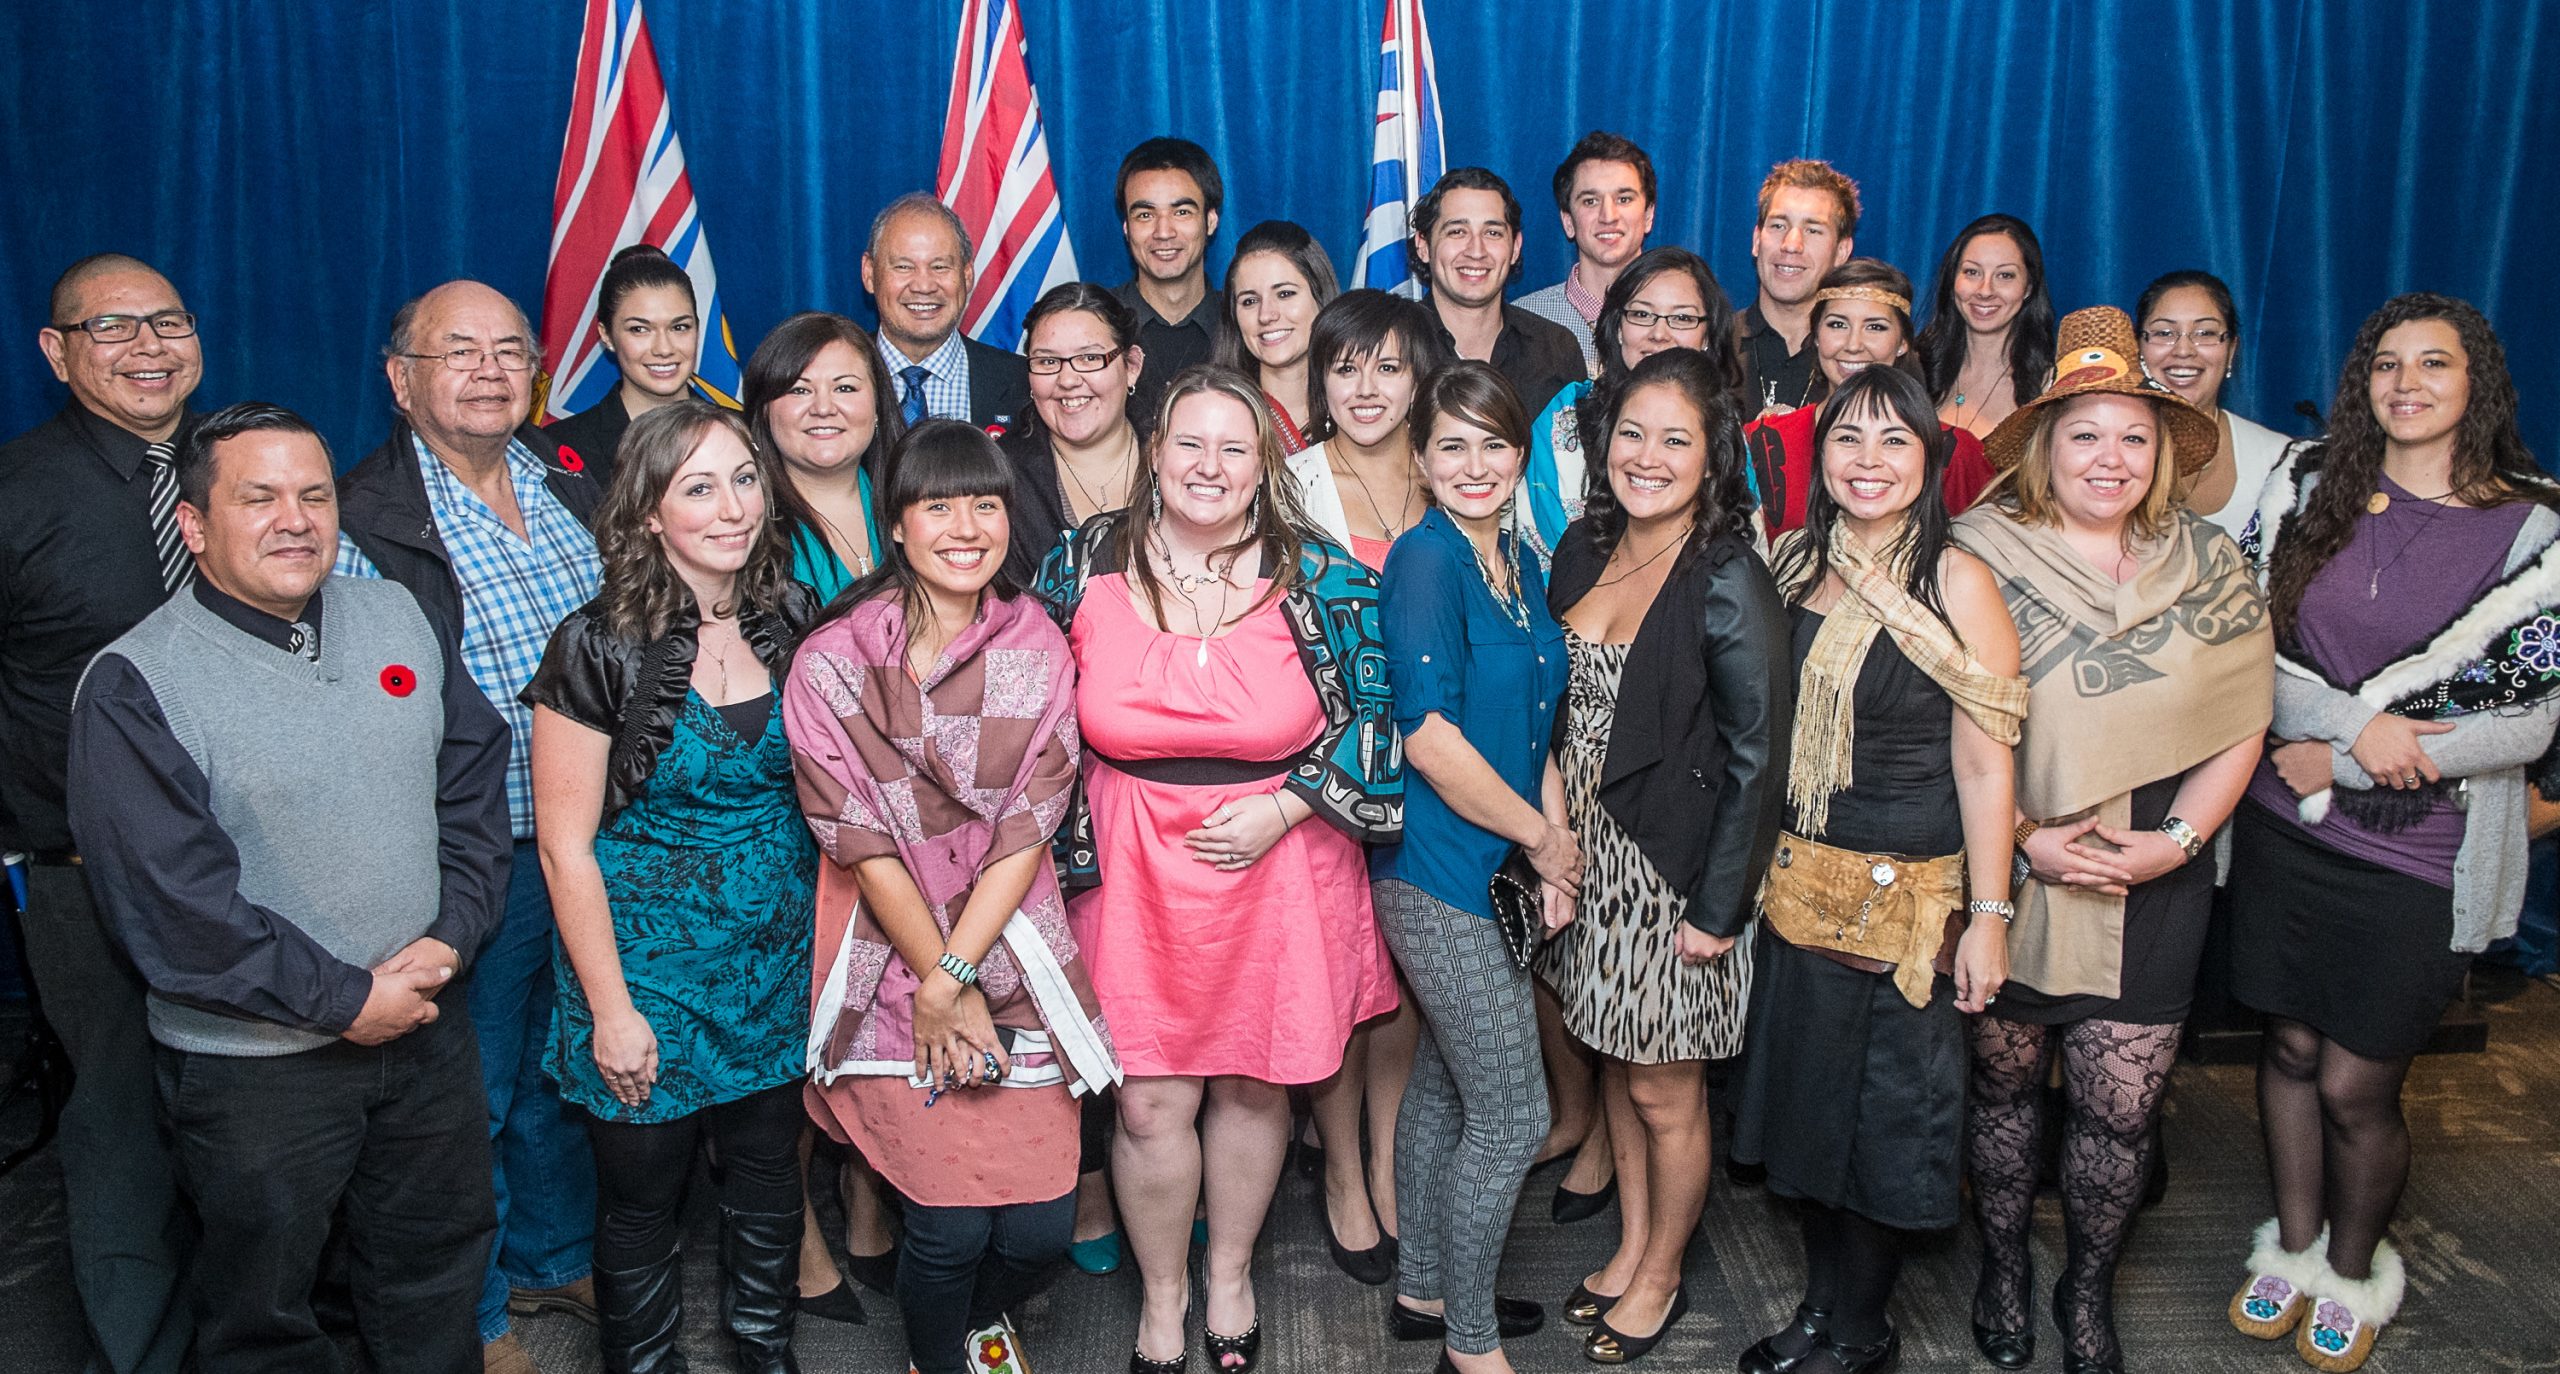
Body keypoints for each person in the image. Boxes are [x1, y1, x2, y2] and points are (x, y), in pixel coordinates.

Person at [68, 402, 512, 1373]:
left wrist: (453, 934)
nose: (295, 519)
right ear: (194, 525)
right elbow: (175, 913)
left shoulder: (395, 610)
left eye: (313, 494)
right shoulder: (136, 685)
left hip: (428, 1028)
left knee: (433, 1275)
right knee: (267, 1314)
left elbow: (473, 781)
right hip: (257, 1072)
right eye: (258, 497)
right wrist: (351, 999)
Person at [1032, 365, 1402, 1373]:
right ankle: (1163, 1298)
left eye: (1233, 448)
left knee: (1252, 1087)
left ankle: (1230, 1272)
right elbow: (1017, 701)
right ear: (1154, 452)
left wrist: (1284, 805)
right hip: (1129, 869)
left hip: (1281, 862)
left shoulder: (1318, 572)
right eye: (1188, 443)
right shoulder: (1082, 560)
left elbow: (1384, 713)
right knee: (1150, 1100)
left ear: (1263, 465)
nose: (1209, 466)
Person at [2226, 295, 2560, 1373]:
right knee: (2283, 1046)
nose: (2404, 383)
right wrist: (2357, 727)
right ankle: (2286, 1244)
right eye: (2383, 364)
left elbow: (2533, 715)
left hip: (2424, 851)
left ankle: (2355, 1270)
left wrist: (2362, 753)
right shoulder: (2309, 486)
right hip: (2287, 825)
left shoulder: (2533, 531)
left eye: (2432, 363)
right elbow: (2250, 653)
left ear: (2478, 384)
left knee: (2355, 1083)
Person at [1952, 306, 2273, 1374]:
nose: (2111, 456)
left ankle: (2085, 1287)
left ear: (2162, 453)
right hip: (2015, 869)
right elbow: (1936, 731)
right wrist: (2024, 843)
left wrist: (2176, 842)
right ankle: (2000, 1262)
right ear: (2046, 443)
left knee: (2119, 1114)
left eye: (2134, 435)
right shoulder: (1980, 549)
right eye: (2084, 432)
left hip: (2152, 878)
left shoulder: (2213, 561)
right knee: (2003, 1090)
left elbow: (2243, 717)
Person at [788, 419, 1120, 1374]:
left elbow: (1029, 825)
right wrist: (937, 980)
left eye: (985, 503)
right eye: (939, 504)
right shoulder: (834, 659)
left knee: (1037, 1231)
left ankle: (978, 1326)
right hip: (889, 952)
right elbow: (857, 837)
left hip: (1014, 949)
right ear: (897, 523)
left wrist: (964, 969)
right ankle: (941, 1358)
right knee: (944, 1230)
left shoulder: (1041, 643)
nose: (966, 525)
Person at [1728, 366, 2028, 1374]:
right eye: (1848, 440)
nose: (1868, 462)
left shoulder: (1956, 580)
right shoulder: (1793, 560)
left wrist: (1988, 916)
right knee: (1811, 1117)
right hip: (1800, 887)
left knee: (1884, 1125)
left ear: (1930, 460)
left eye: (1894, 441)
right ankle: (1819, 1312)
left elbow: (1989, 760)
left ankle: (1861, 1330)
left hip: (1906, 900)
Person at [335, 279, 606, 1373]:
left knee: (561, 1071)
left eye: (510, 350)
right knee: (467, 1099)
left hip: (585, 849)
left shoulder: (569, 489)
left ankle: (555, 1258)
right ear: (402, 380)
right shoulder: (363, 523)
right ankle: (478, 1314)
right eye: (461, 352)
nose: (492, 370)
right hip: (471, 860)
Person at [521, 401, 820, 1374]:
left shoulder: (788, 616)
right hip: (647, 977)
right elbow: (565, 850)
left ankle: (764, 1353)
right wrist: (611, 1011)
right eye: (699, 486)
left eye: (744, 478)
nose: (733, 506)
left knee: (770, 1183)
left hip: (773, 971)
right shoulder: (593, 644)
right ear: (648, 512)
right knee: (644, 1204)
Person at [1541, 347, 1791, 1363]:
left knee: (1663, 1088)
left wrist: (1716, 908)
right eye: (1630, 433)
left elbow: (1759, 757)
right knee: (1612, 1065)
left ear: (1711, 456)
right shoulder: (1581, 543)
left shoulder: (1725, 572)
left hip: (1673, 871)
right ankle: (1636, 1243)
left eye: (1673, 439)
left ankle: (1665, 1273)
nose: (1646, 455)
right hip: (1586, 862)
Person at [0, 251, 204, 1374]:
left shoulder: (244, 470)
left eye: (167, 322)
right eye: (112, 327)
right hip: (90, 874)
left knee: (253, 1118)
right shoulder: (17, 495)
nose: (147, 347)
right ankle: (142, 1354)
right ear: (56, 351)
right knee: (126, 1122)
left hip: (258, 862)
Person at [1373, 362, 1573, 1374]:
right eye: (1450, 445)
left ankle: (1423, 1290)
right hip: (1437, 870)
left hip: (1502, 863)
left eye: (1492, 443)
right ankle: (1470, 1344)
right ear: (1419, 458)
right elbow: (1431, 739)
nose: (1474, 463)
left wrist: (1552, 846)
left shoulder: (1520, 561)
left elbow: (1540, 730)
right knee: (1515, 1113)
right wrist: (1544, 842)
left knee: (1450, 1089)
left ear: (1519, 455)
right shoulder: (1424, 561)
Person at [1518, 246, 1744, 573]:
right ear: (1617, 326)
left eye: (1682, 318)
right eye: (1641, 314)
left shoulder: (1723, 424)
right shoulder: (1563, 419)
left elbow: (1744, 543)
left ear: (1707, 335)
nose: (1659, 334)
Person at [1743, 259, 1997, 536]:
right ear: (1815, 336)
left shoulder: (1954, 453)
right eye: (1838, 324)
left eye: (1875, 327)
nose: (1853, 345)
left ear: (1903, 343)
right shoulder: (1762, 442)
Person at [744, 310, 906, 603]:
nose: (823, 408)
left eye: (844, 388)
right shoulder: (742, 525)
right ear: (764, 410)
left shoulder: (917, 504)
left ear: (878, 404)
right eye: (799, 390)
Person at [1288, 288, 1451, 566]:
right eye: (1346, 370)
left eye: (1387, 368)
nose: (1366, 389)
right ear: (1323, 384)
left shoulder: (1453, 473)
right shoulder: (1289, 488)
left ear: (1417, 381)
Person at [1002, 282, 1150, 586]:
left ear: (1132, 365)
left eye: (1089, 358)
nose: (1068, 379)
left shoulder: (1182, 457)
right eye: (1047, 361)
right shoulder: (1000, 476)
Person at [1410, 167, 1585, 419]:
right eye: (1457, 231)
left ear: (1515, 247)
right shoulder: (1394, 346)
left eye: (1492, 233)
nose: (1476, 251)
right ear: (1423, 246)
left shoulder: (1556, 348)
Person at [2133, 270, 2292, 534]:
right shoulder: (2107, 454)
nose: (2183, 350)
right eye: (2164, 333)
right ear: (2139, 348)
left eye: (2205, 332)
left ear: (2231, 350)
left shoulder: (2278, 460)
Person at [862, 193, 1032, 430]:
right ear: (869, 273)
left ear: (967, 275)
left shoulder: (1024, 384)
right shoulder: (831, 381)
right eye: (903, 267)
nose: (924, 285)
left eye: (940, 267)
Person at [545, 243, 706, 486]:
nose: (664, 349)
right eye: (639, 329)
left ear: (697, 328)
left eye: (679, 327)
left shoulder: (744, 431)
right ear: (606, 335)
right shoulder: (560, 447)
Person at [1517, 132, 1659, 375]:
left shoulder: (1679, 320)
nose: (1608, 216)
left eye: (1623, 199)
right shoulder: (1523, 322)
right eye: (1590, 201)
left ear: (1648, 216)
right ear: (1568, 222)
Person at [1114, 137, 1226, 421]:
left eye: (1182, 212)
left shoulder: (1246, 323)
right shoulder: (1094, 324)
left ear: (1211, 221)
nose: (1163, 231)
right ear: (1126, 228)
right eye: (1145, 214)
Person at [1738, 159, 1860, 419]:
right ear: (1757, 240)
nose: (1791, 244)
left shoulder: (1859, 358)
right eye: (1779, 226)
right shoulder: (1711, 344)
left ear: (1842, 252)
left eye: (1813, 230)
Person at [1917, 214, 2055, 440]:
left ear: (2028, 288)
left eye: (2005, 275)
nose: (1985, 290)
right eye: (1972, 272)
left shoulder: (2051, 387)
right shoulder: (1916, 369)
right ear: (1952, 280)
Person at [1212, 221, 1340, 452]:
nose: (1266, 315)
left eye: (1285, 294)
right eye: (1250, 301)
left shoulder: (1357, 412)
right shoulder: (1215, 415)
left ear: (1321, 297)